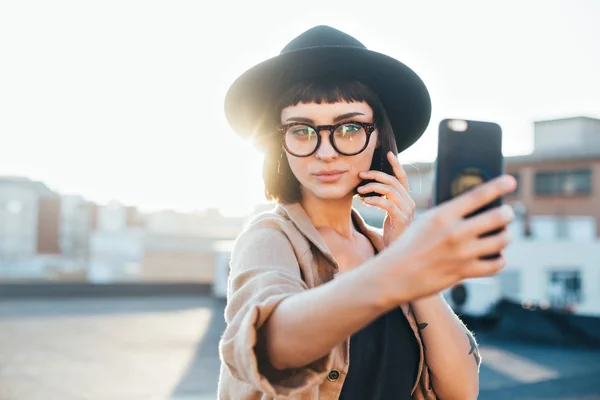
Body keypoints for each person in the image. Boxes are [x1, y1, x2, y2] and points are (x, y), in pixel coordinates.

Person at [218, 25, 516, 400]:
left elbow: (461, 391)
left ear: (377, 138)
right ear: (280, 144)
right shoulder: (269, 238)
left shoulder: (386, 250)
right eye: (302, 131)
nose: (325, 152)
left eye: (349, 128)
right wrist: (397, 271)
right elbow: (270, 346)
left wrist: (406, 258)